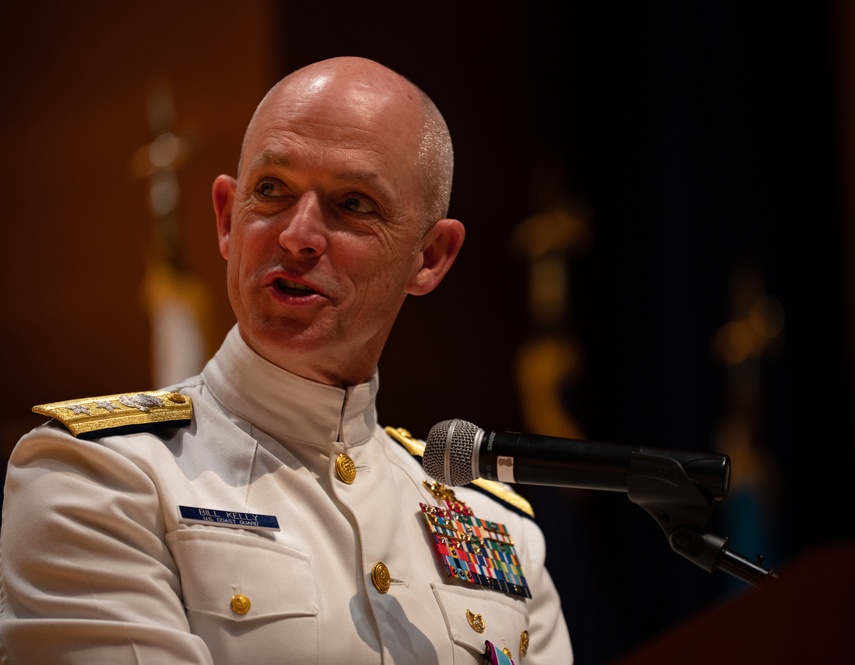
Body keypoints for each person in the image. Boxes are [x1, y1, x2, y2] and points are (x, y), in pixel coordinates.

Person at [0, 56, 573, 664]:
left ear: (430, 257)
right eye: (271, 189)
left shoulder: (504, 533)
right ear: (226, 217)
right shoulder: (97, 474)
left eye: (353, 203)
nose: (298, 235)